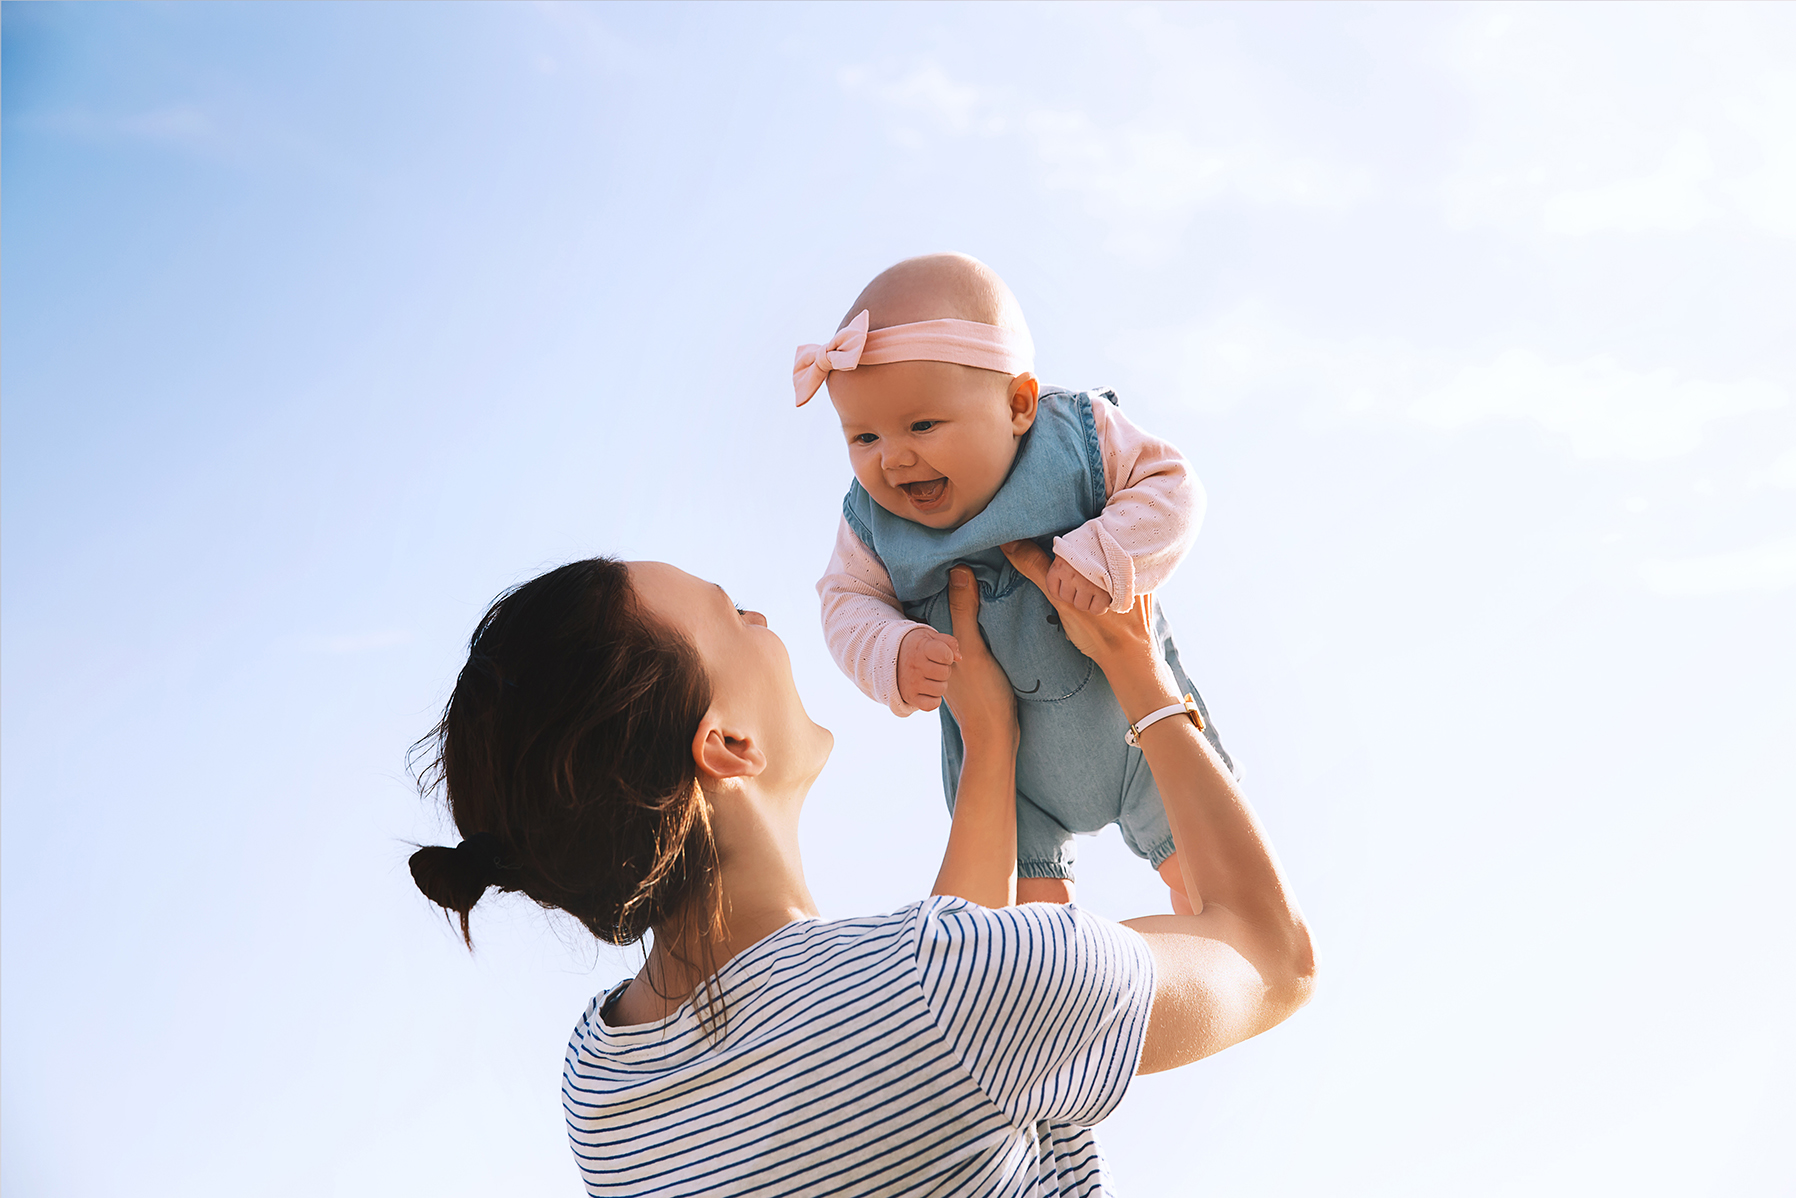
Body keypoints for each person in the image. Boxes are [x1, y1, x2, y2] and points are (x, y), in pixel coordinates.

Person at [409, 542, 1313, 1197]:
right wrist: (1138, 670)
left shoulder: (605, 1085)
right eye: (733, 616)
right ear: (727, 745)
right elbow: (1274, 959)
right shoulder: (955, 991)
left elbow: (912, 1054)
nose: (763, 619)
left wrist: (990, 742)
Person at [803, 252, 1227, 912]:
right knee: (1026, 937)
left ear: (1019, 405)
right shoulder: (871, 525)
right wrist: (891, 650)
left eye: (922, 425)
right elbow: (845, 601)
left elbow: (1173, 488)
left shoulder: (1075, 438)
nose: (894, 458)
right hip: (1014, 776)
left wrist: (1107, 552)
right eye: (863, 436)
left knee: (1213, 888)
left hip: (1138, 726)